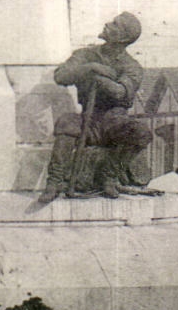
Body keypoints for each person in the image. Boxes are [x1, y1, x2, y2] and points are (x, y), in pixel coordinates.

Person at [38, 13, 155, 204]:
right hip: (89, 119)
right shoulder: (85, 55)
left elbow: (120, 93)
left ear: (123, 38)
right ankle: (55, 181)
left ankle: (109, 176)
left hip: (115, 122)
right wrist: (90, 68)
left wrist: (99, 79)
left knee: (140, 132)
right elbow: (61, 76)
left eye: (115, 24)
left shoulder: (132, 66)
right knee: (67, 122)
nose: (107, 24)